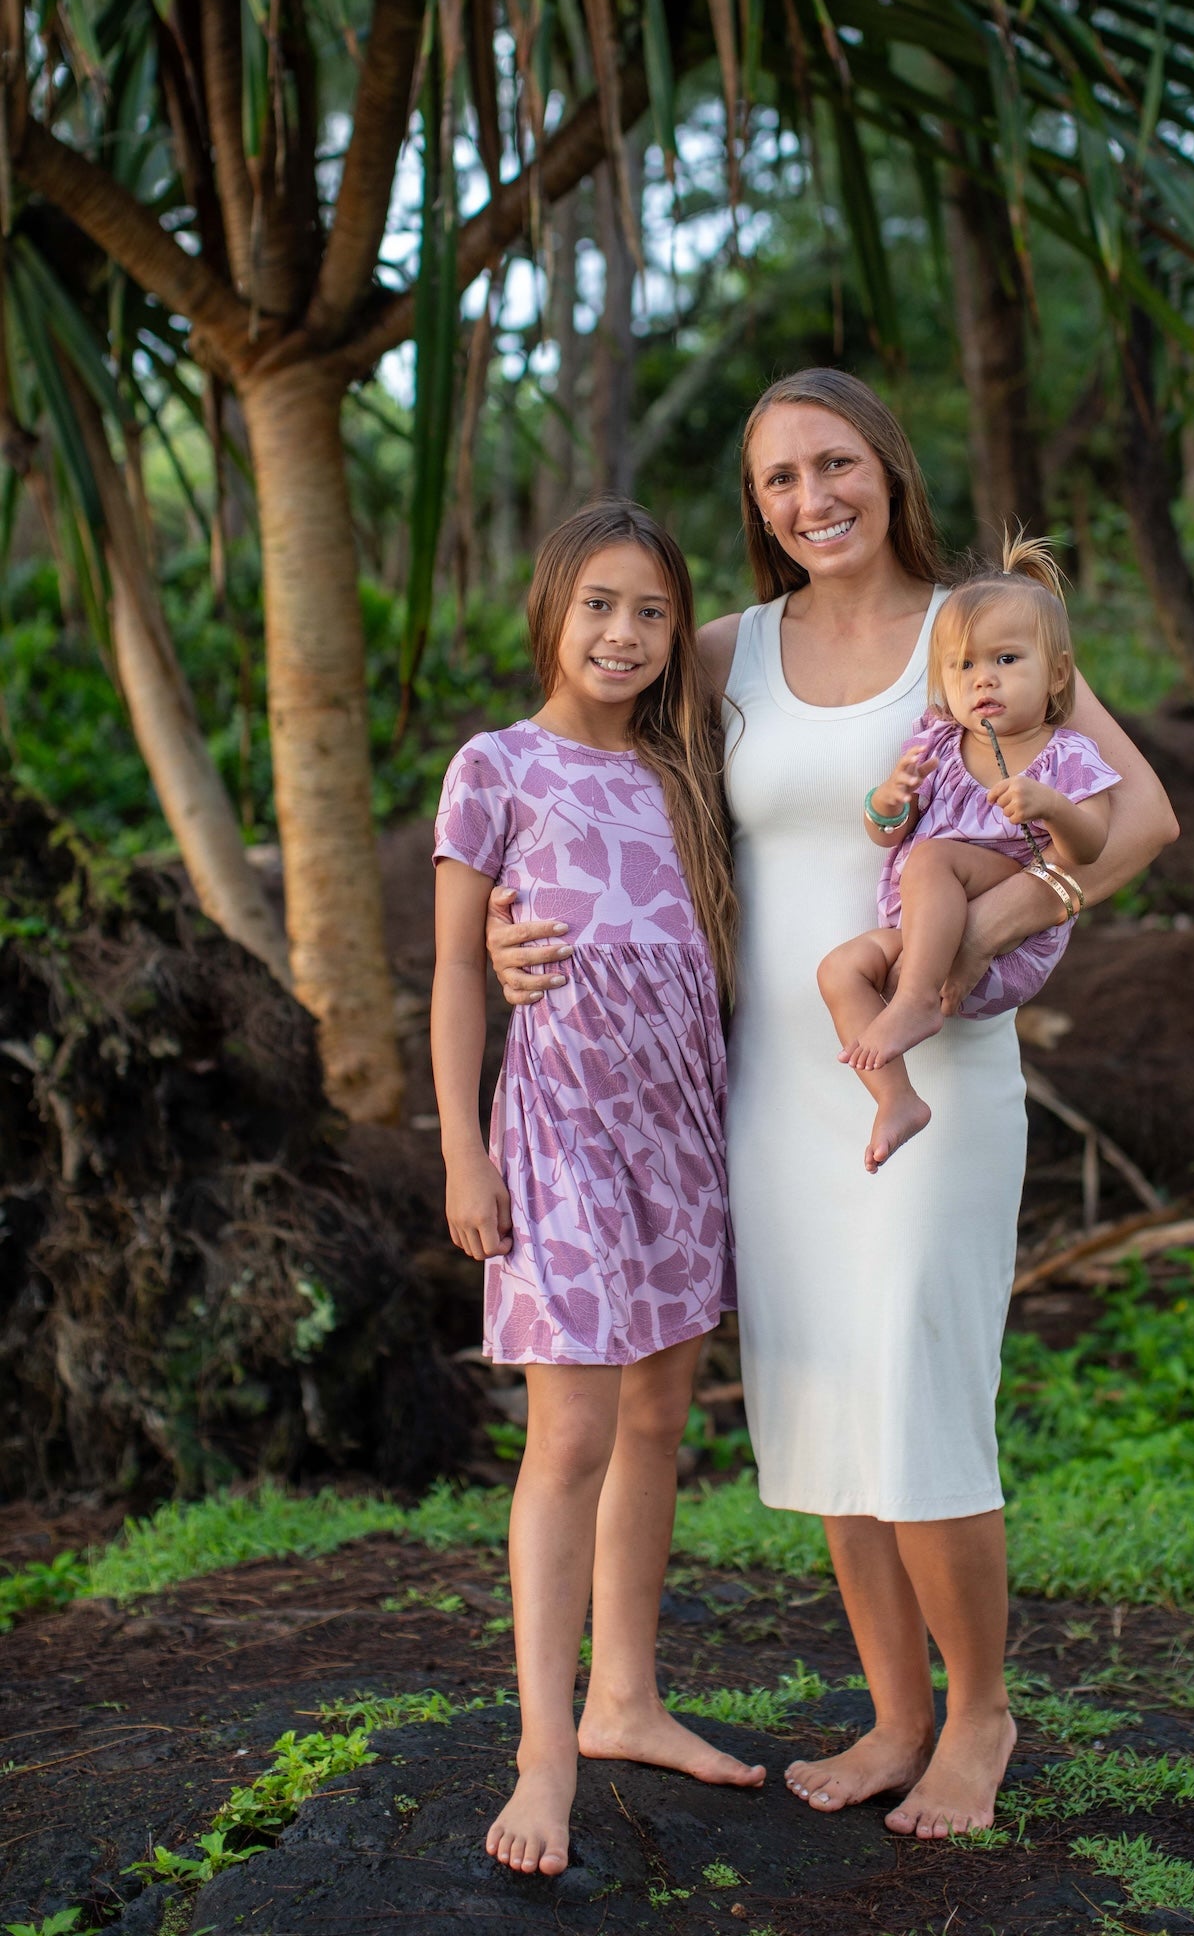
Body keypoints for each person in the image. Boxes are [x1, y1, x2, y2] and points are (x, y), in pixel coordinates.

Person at [484, 371, 1178, 1843]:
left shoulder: (971, 630)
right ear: (758, 506)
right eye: (782, 479)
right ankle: (897, 1717)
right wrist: (502, 924)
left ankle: (980, 1716)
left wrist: (998, 925)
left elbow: (1144, 816)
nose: (815, 498)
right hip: (764, 1090)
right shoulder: (721, 651)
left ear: (888, 467)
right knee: (828, 1413)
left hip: (932, 1072)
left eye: (837, 463)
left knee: (916, 1389)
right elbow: (585, 778)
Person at [431, 501, 762, 1882]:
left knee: (657, 1420)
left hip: (680, 1134)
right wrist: (464, 1152)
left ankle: (624, 1698)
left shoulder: (689, 771)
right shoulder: (497, 766)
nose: (624, 634)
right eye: (599, 606)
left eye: (652, 611)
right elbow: (456, 974)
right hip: (560, 1138)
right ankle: (543, 1749)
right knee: (567, 1436)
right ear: (549, 614)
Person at [819, 535, 1119, 1169]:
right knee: (840, 970)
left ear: (1057, 673)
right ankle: (896, 1099)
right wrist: (889, 799)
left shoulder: (1066, 756)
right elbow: (886, 834)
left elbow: (1090, 848)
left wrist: (1052, 806)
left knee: (935, 858)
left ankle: (914, 1003)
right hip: (928, 937)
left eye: (1006, 659)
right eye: (962, 666)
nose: (983, 678)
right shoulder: (937, 745)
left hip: (1005, 933)